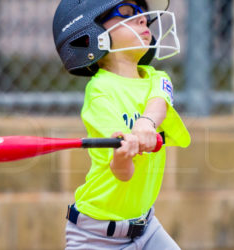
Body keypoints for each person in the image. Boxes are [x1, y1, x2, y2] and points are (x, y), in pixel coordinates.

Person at [53, 0, 190, 249]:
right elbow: (122, 173)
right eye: (127, 14)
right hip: (96, 237)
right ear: (92, 33)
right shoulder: (100, 92)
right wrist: (123, 156)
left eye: (142, 14)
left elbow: (159, 103)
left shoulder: (157, 78)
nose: (143, 19)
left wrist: (145, 125)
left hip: (147, 228)